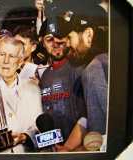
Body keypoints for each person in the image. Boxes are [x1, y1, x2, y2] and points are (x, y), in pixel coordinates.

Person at [54, 4, 108, 152]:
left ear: (88, 35)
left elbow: (103, 140)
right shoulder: (111, 61)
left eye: (71, 38)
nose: (69, 44)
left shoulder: (93, 71)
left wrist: (76, 152)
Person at [38, 12, 87, 147]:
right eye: (49, 39)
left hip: (75, 150)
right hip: (55, 149)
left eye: (60, 38)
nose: (56, 44)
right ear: (42, 41)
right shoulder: (45, 74)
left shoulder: (78, 68)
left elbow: (86, 118)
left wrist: (66, 149)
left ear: (68, 40)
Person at [0, 37, 43, 153]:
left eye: (12, 56)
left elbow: (39, 126)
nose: (6, 60)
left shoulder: (34, 90)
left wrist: (25, 136)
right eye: (2, 54)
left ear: (20, 63)